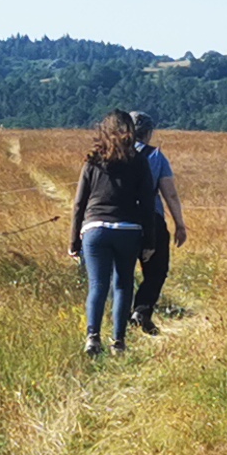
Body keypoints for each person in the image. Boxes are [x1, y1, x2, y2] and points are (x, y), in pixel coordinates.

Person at [67, 109, 159, 355]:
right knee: (123, 285)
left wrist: (74, 240)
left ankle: (92, 336)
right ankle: (118, 341)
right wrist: (149, 241)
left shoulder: (93, 159)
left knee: (97, 285)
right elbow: (148, 203)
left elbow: (79, 203)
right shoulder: (138, 160)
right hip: (128, 230)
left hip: (95, 229)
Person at [130, 113, 186, 331]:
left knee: (122, 271)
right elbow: (170, 194)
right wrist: (180, 225)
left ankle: (121, 316)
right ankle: (142, 311)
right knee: (156, 270)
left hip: (121, 217)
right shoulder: (156, 157)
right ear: (148, 132)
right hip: (151, 217)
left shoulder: (115, 153)